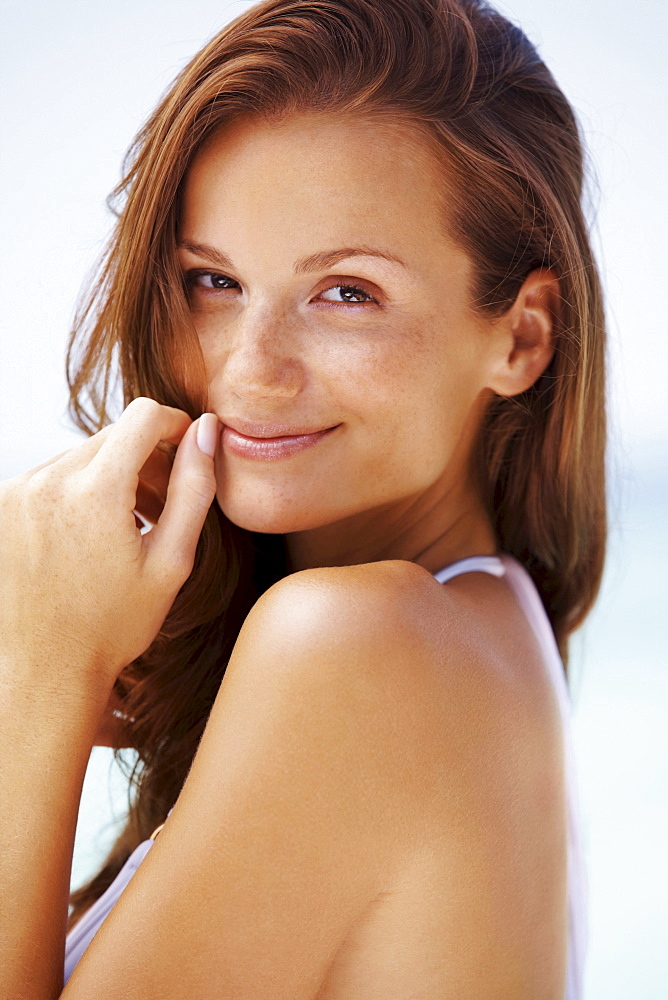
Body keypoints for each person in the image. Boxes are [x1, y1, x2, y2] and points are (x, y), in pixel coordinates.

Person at [0, 0, 606, 996]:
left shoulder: (357, 645)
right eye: (213, 281)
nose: (250, 371)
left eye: (345, 294)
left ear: (520, 336)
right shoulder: (481, 627)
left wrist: (41, 669)